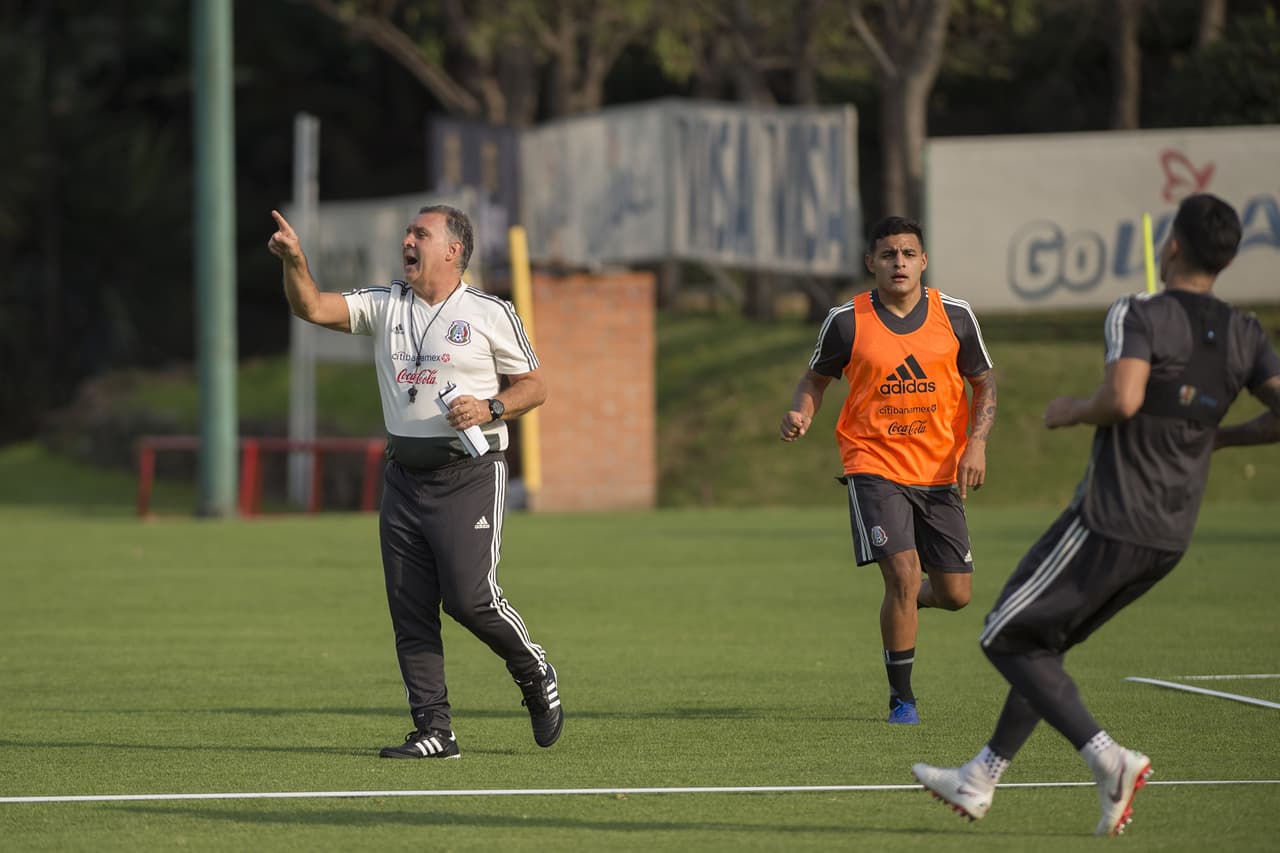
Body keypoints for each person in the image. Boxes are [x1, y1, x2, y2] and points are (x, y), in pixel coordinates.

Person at [912, 193, 1280, 836]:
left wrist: (1073, 409)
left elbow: (1124, 397)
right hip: (1171, 534)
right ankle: (981, 777)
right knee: (1043, 646)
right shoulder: (1248, 332)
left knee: (1004, 634)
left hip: (1111, 517)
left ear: (1172, 245)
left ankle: (1109, 759)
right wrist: (1220, 437)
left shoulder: (1138, 312)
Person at [267, 204, 563, 759]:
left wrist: (490, 406)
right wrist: (295, 260)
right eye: (407, 232)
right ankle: (435, 730)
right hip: (404, 480)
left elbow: (536, 386)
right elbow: (310, 305)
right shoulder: (385, 304)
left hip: (470, 475)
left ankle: (532, 669)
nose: (407, 239)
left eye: (420, 233)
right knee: (410, 610)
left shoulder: (488, 311)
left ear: (453, 250)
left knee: (472, 601)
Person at [780, 215, 997, 725]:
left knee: (955, 595)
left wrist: (977, 445)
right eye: (887, 255)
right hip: (872, 465)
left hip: (941, 470)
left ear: (923, 260)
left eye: (907, 253)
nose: (898, 263)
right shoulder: (847, 321)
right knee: (902, 573)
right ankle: (902, 699)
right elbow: (813, 380)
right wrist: (801, 412)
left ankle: (906, 605)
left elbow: (985, 384)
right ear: (870, 263)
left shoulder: (956, 317)